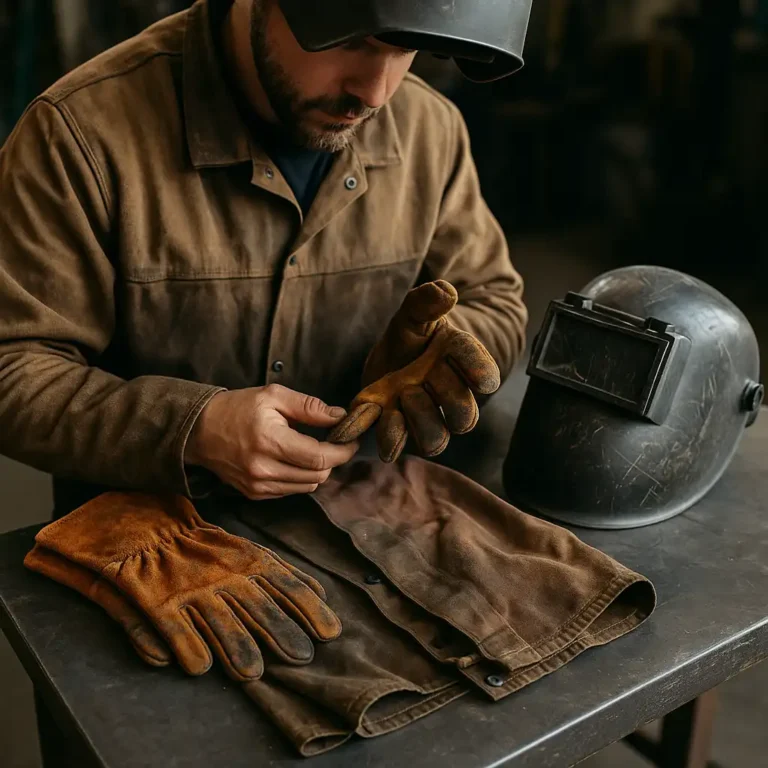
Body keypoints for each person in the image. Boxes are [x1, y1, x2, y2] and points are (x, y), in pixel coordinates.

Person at [0, 0, 531, 516]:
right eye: (351, 42)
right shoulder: (79, 135)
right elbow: (13, 366)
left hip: (363, 522)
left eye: (408, 50)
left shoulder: (431, 131)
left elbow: (494, 298)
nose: (374, 92)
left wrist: (440, 351)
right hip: (150, 541)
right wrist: (193, 429)